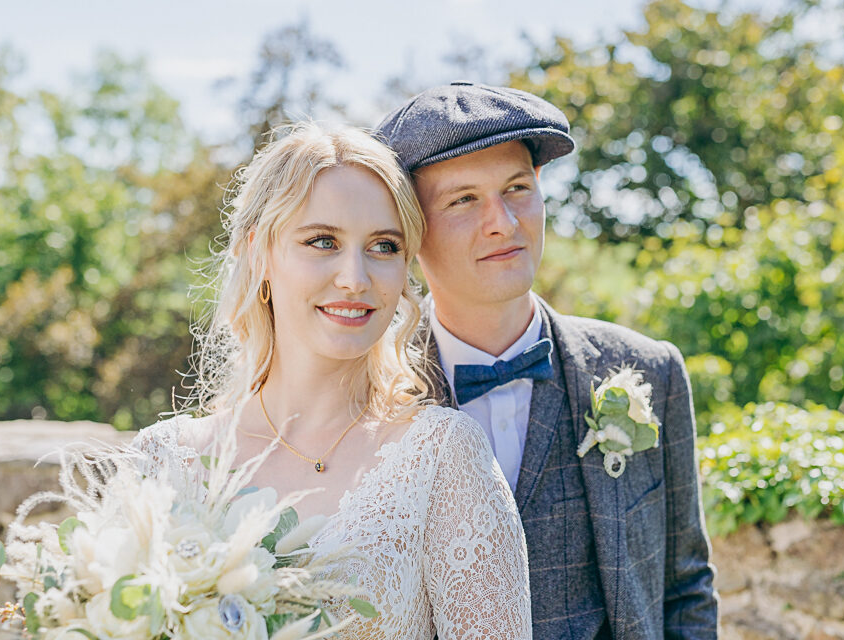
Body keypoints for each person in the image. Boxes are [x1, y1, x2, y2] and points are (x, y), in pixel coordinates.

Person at [132, 123, 532, 638]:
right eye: (323, 241)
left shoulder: (442, 458)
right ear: (260, 254)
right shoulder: (162, 463)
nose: (355, 277)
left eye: (384, 247)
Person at [376, 82, 718, 639]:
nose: (504, 224)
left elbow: (686, 585)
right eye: (463, 200)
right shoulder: (362, 393)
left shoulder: (651, 371)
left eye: (517, 188)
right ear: (410, 230)